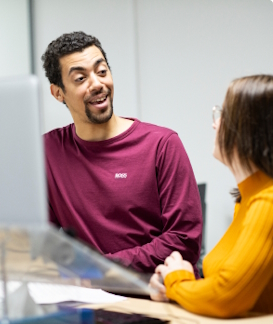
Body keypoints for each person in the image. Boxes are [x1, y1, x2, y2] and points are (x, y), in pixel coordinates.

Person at [41, 31, 202, 277]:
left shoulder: (162, 144)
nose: (97, 84)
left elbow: (184, 243)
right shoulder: (48, 152)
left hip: (154, 297)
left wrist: (99, 270)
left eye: (102, 71)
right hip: (88, 300)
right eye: (81, 78)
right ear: (58, 93)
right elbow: (40, 243)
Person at [149, 74, 273, 317]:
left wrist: (177, 282)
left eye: (224, 115)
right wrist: (175, 286)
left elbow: (225, 297)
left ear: (249, 129)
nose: (215, 124)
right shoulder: (247, 201)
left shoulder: (267, 203)